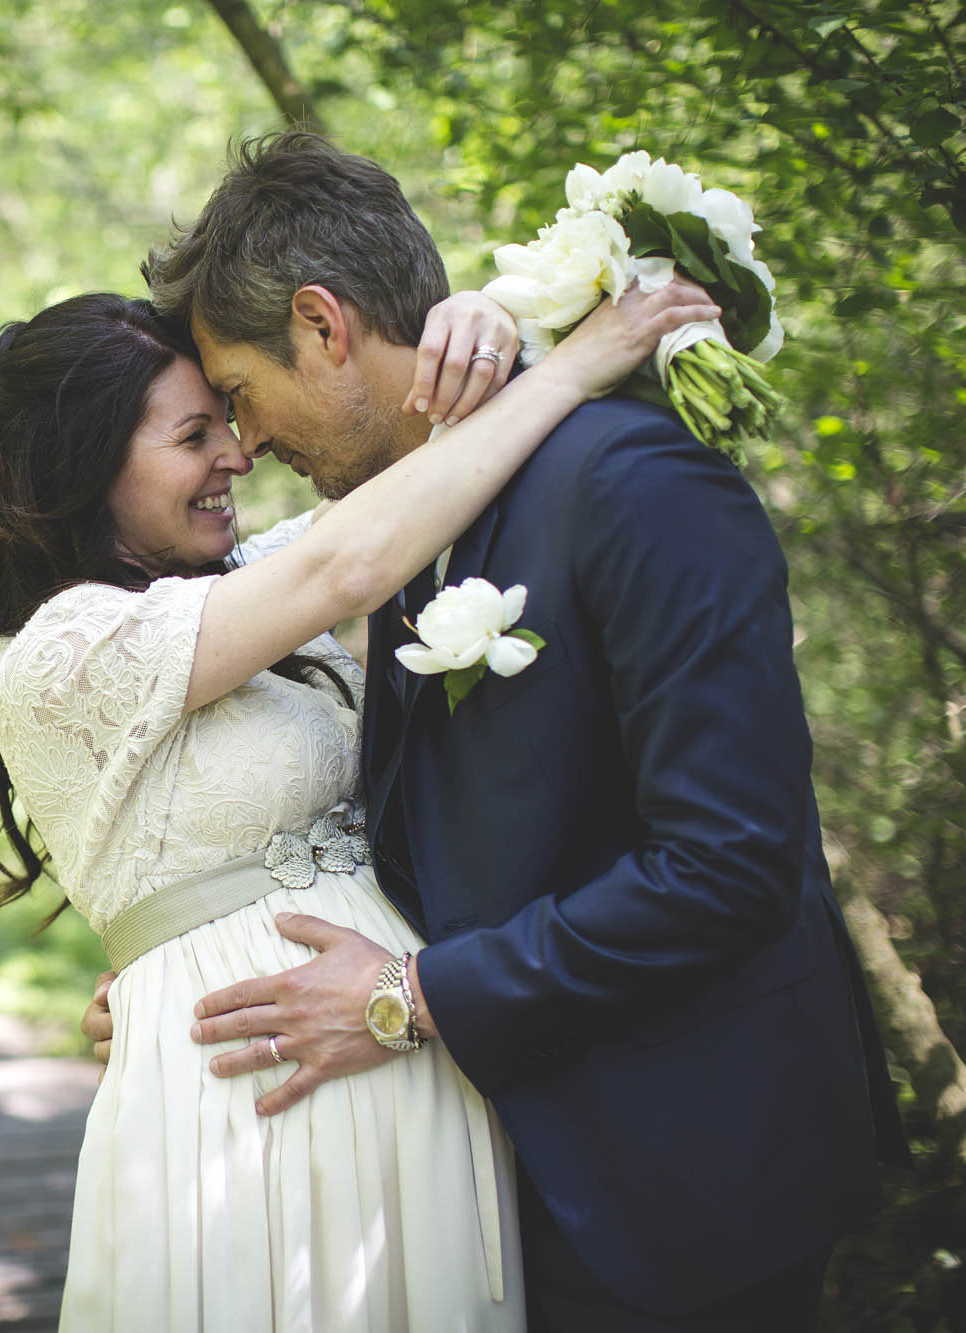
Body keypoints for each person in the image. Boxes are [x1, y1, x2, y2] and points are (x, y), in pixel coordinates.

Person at [74, 130, 909, 1328]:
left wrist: (409, 997)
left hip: (691, 1172)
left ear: (322, 324)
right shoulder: (402, 527)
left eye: (243, 399)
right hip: (513, 1171)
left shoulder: (633, 481)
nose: (246, 446)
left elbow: (726, 866)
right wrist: (177, 977)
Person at [0, 263, 720, 1326]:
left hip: (415, 1067)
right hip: (249, 1100)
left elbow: (408, 469)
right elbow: (348, 564)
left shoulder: (237, 589)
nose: (235, 453)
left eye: (225, 417)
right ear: (86, 472)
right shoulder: (63, 651)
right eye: (191, 437)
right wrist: (584, 360)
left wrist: (489, 313)